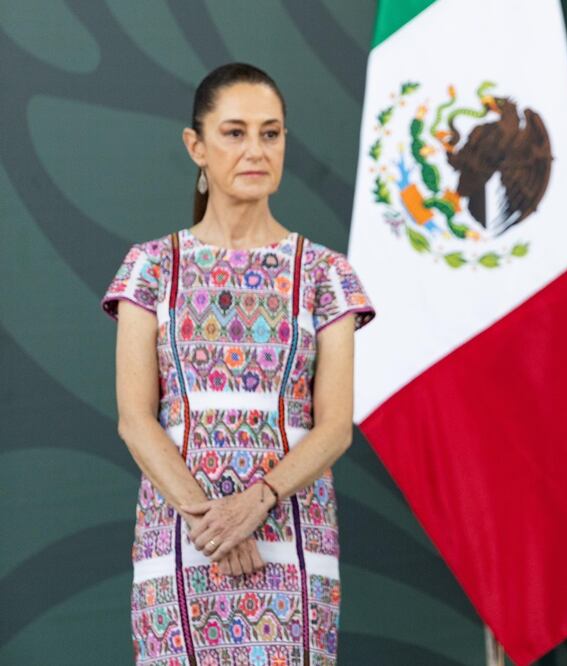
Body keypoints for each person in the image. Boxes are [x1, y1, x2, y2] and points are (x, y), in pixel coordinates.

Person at [103, 63, 374, 665]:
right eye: (235, 132)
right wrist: (213, 525)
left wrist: (254, 506)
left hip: (291, 539)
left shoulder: (326, 274)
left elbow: (335, 426)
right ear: (195, 146)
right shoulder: (149, 269)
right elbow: (134, 418)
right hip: (179, 539)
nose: (256, 149)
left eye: (271, 133)